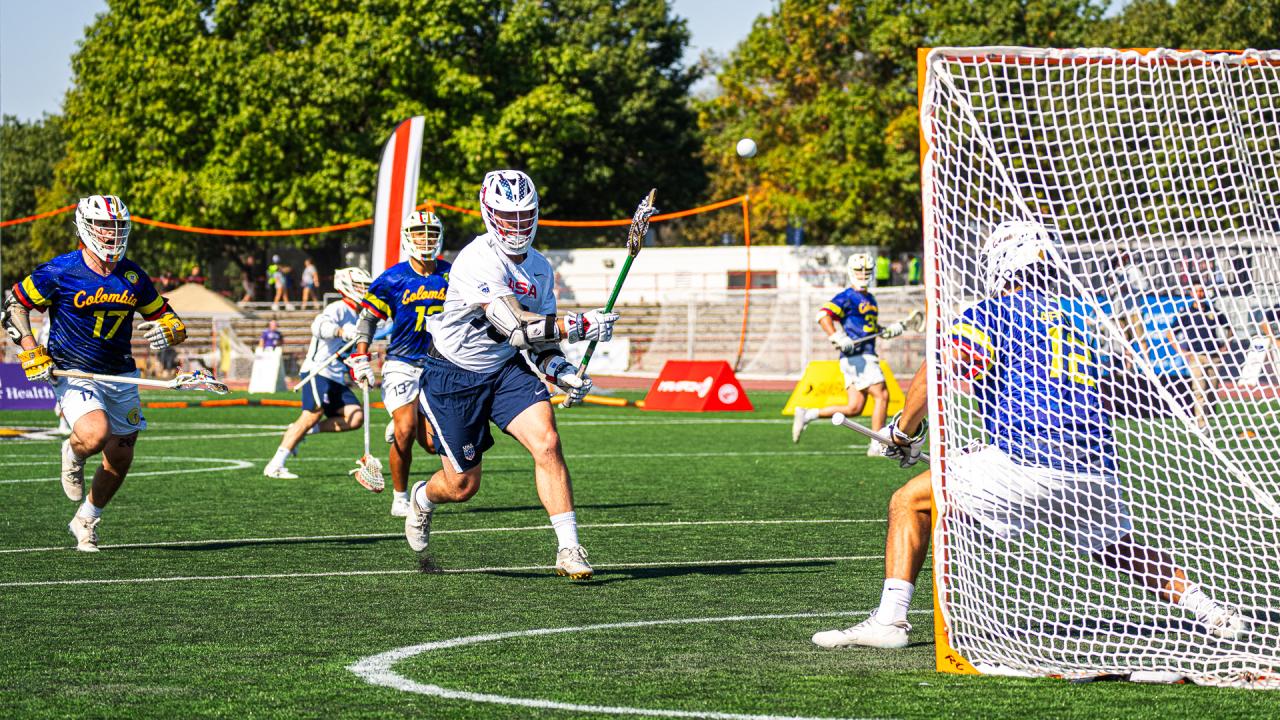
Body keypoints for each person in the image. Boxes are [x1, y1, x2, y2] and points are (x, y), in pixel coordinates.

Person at [810, 220, 1243, 650]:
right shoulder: (1076, 321)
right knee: (1119, 547)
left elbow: (944, 363)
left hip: (1025, 465)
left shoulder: (990, 313)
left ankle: (890, 620)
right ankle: (1210, 612)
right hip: (1094, 468)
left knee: (910, 500)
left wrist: (904, 429)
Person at [379, 170, 616, 580]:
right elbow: (517, 326)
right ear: (489, 215)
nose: (518, 226)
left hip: (505, 369)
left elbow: (537, 344)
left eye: (525, 216)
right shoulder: (477, 259)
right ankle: (422, 497)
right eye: (508, 217)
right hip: (454, 374)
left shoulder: (540, 269)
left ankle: (568, 547)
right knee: (462, 486)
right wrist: (578, 325)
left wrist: (561, 371)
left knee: (548, 441)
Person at [2, 194, 189, 551]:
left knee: (120, 456)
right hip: (74, 371)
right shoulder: (61, 270)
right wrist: (30, 349)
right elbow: (14, 305)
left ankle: (87, 518)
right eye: (104, 225)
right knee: (94, 434)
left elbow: (165, 316)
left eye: (117, 226)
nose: (111, 233)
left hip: (120, 372)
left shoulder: (133, 275)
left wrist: (171, 329)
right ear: (85, 227)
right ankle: (72, 453)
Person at [349, 211, 450, 517]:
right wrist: (361, 357)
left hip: (440, 365)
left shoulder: (453, 274)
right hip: (402, 363)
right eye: (419, 232)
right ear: (408, 237)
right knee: (405, 431)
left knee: (432, 445)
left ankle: (403, 420)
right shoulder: (392, 278)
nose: (426, 238)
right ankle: (400, 496)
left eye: (431, 232)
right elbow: (368, 319)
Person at [263, 267, 371, 479]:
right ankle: (275, 464)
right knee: (312, 414)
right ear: (348, 286)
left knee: (356, 417)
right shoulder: (338, 308)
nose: (365, 291)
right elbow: (318, 326)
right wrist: (341, 331)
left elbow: (348, 352)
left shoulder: (360, 315)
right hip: (318, 371)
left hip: (337, 376)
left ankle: (304, 431)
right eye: (361, 287)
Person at [792, 253, 892, 456]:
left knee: (854, 407)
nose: (863, 274)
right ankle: (877, 445)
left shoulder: (870, 298)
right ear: (850, 271)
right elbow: (823, 315)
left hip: (858, 356)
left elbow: (867, 327)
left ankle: (808, 413)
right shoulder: (848, 296)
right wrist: (837, 337)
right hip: (859, 356)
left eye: (867, 271)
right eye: (858, 270)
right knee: (882, 395)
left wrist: (885, 330)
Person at [1164, 284, 1230, 429]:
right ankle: (1201, 424)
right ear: (1192, 294)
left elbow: (1229, 328)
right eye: (1196, 291)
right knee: (1199, 390)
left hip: (1213, 357)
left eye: (1201, 291)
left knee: (1211, 391)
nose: (1199, 293)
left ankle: (1207, 418)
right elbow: (1170, 334)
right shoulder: (1186, 313)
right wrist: (1182, 352)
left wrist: (1225, 346)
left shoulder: (1213, 311)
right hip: (1196, 357)